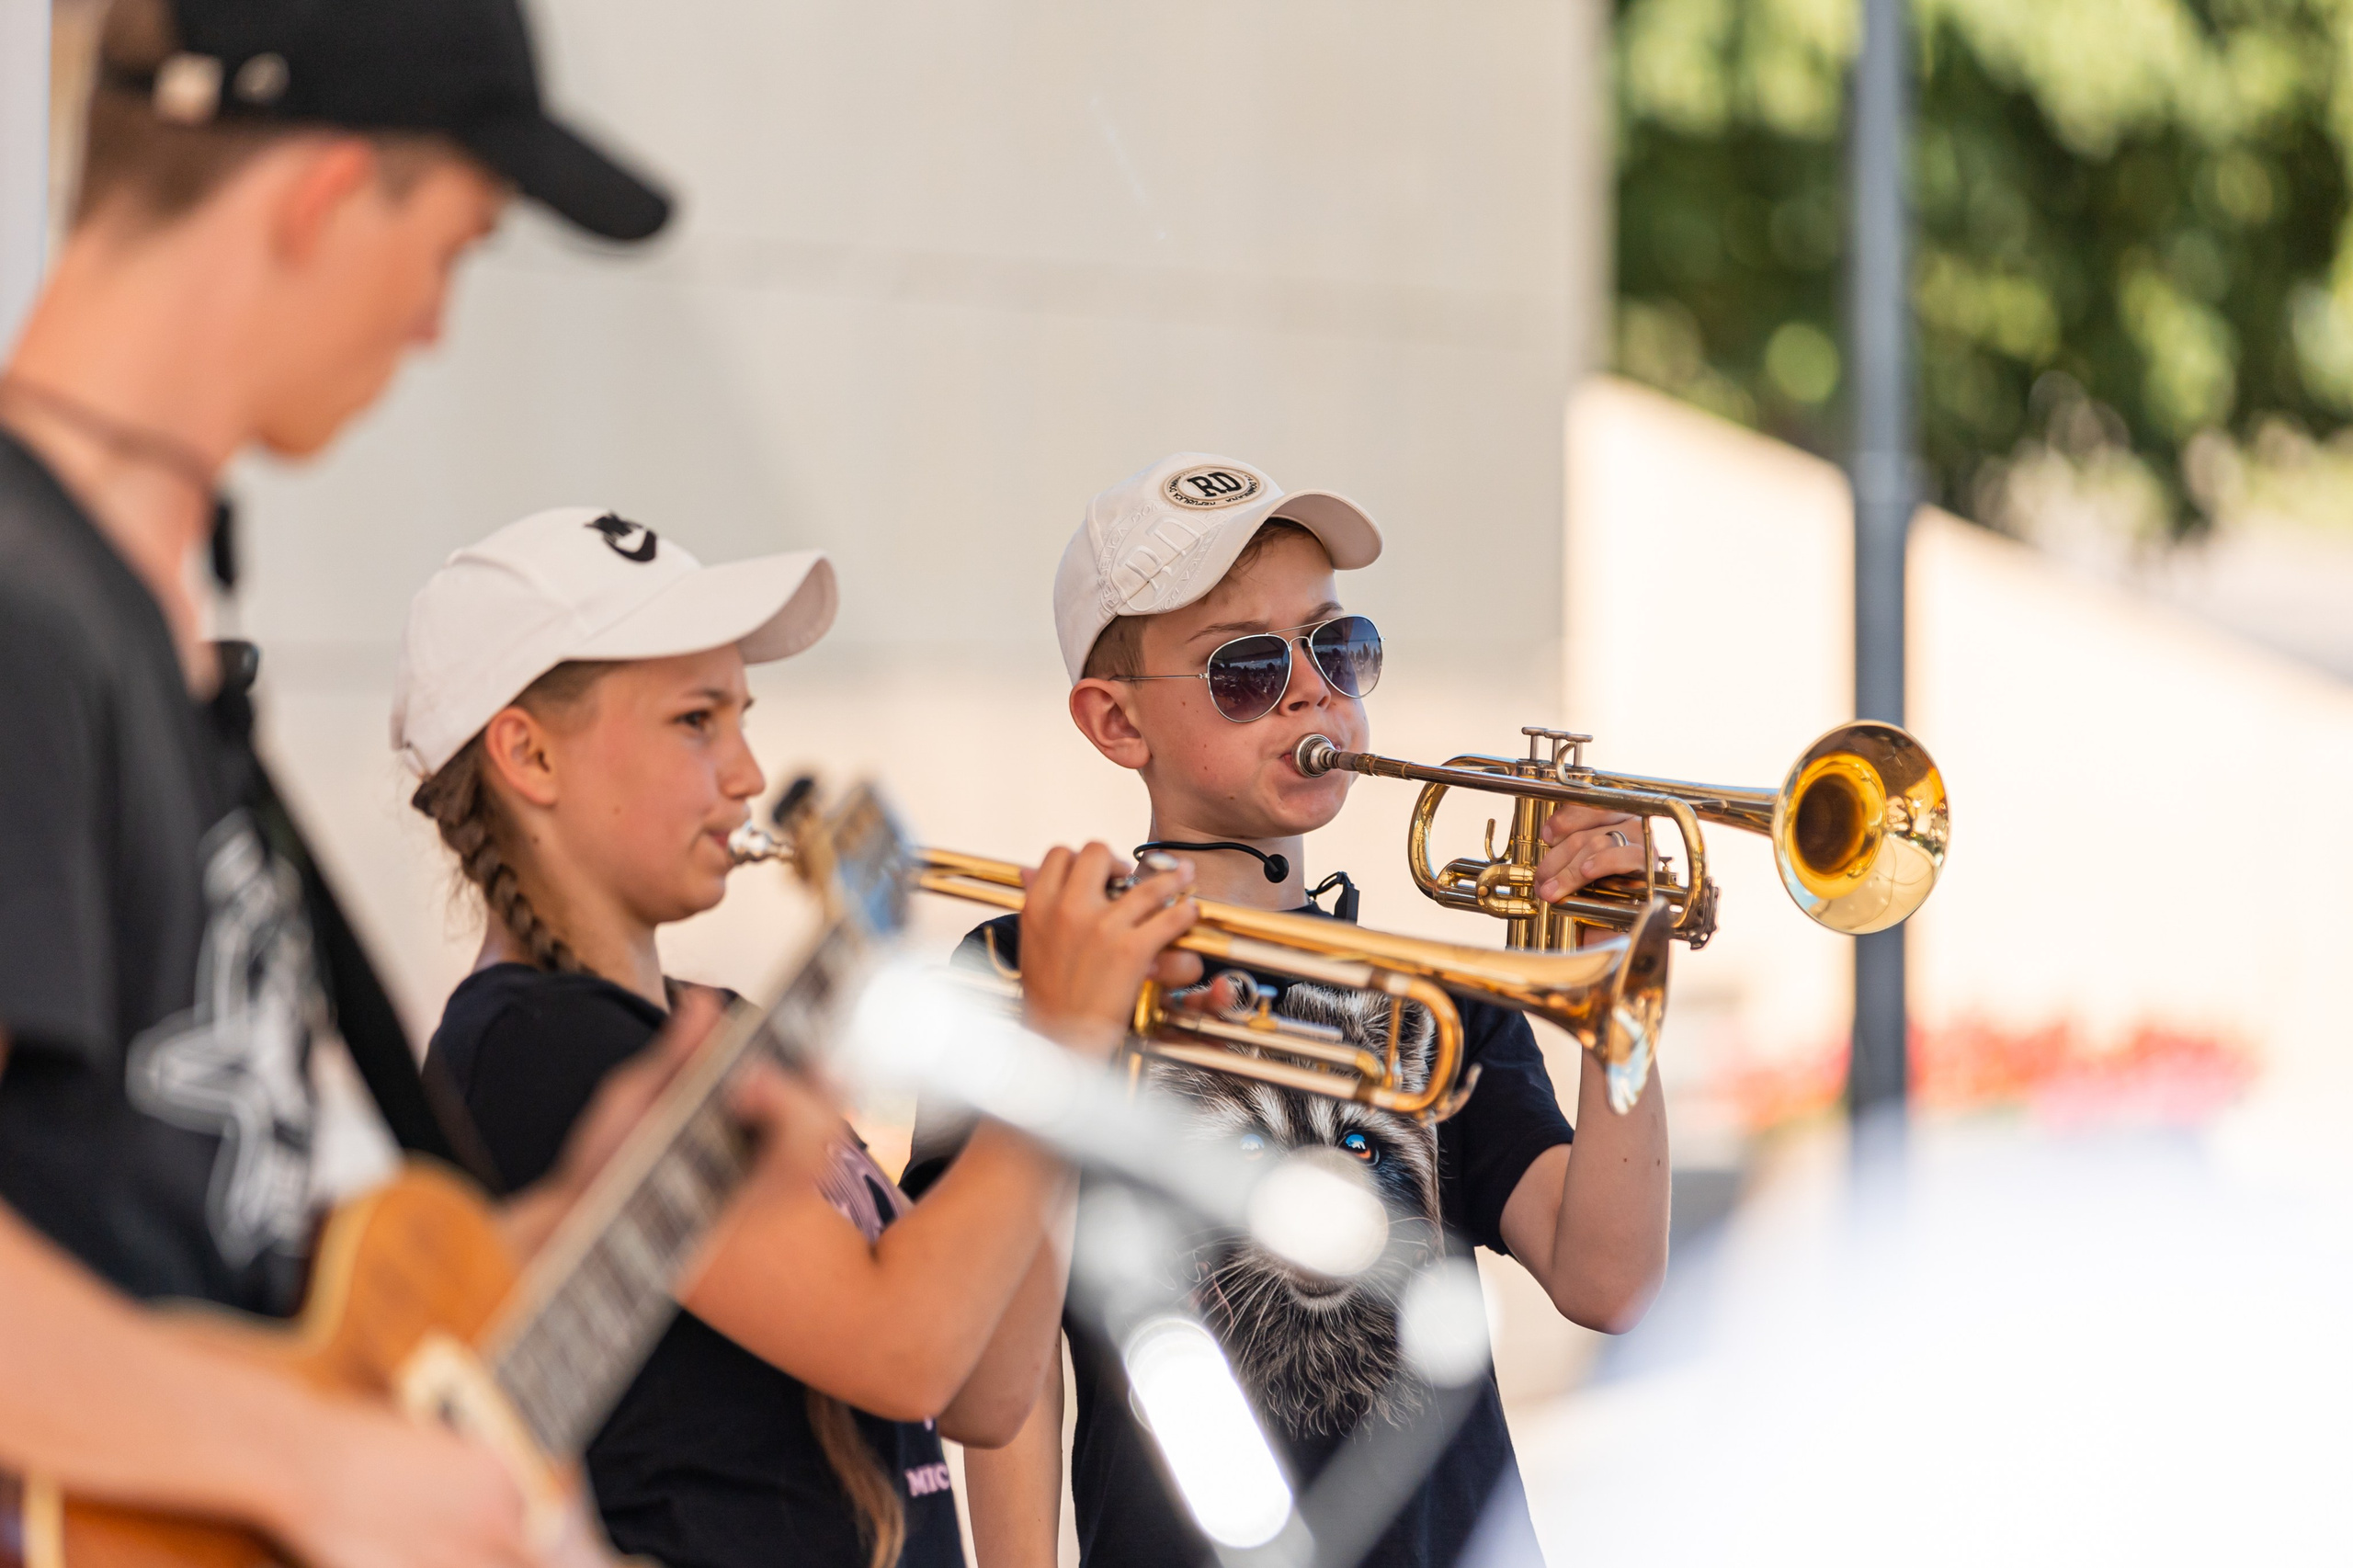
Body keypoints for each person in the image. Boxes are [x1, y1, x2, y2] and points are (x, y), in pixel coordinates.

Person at [0, 2, 774, 1563]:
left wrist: (565, 1227)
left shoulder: (136, 625)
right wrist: (315, 1469)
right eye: (454, 245)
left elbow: (192, 1232)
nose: (432, 326)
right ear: (326, 192)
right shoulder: (23, 612)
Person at [395, 507, 1206, 1568]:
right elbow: (904, 1348)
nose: (745, 771)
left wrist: (1074, 1050)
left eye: (740, 716)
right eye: (696, 721)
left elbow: (985, 1384)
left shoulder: (708, 1030)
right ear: (528, 753)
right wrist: (1060, 1035)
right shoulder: (535, 1052)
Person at [904, 453, 1674, 1567]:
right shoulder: (1027, 969)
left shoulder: (1431, 994)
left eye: (1337, 646)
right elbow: (1004, 1376)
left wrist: (1622, 983)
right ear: (1117, 724)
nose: (1314, 688)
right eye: (1248, 668)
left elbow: (1606, 1278)